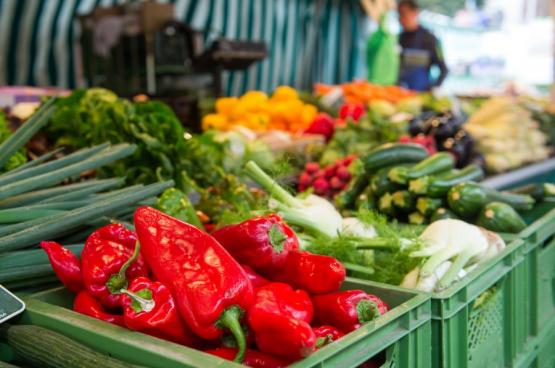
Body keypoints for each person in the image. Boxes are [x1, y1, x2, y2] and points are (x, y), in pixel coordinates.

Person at [397, 0, 448, 91]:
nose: (401, 19)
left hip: (421, 94)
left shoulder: (430, 39)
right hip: (400, 94)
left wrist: (432, 88)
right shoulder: (398, 39)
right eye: (399, 15)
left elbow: (444, 70)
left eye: (404, 14)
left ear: (415, 13)